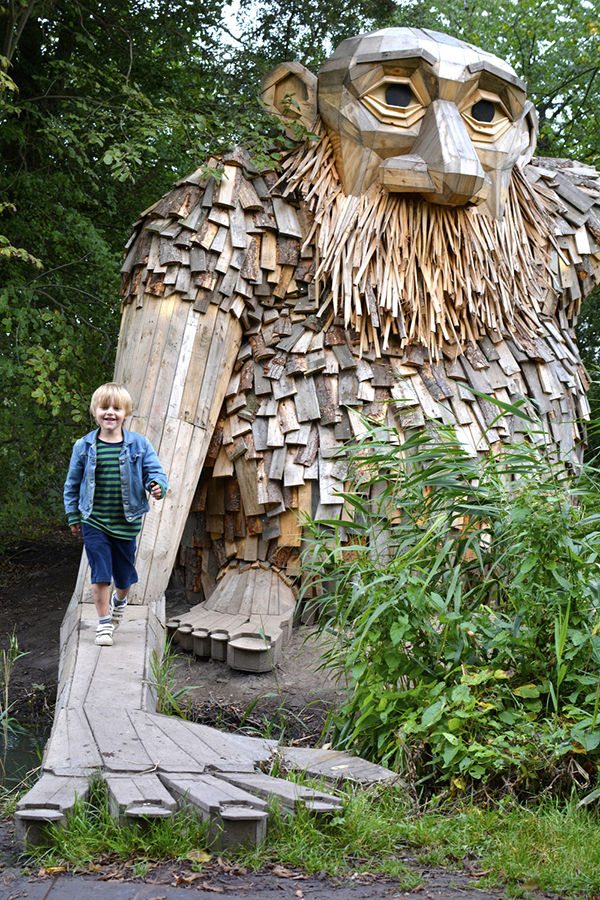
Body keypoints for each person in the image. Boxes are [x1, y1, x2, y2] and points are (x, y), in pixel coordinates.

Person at [63, 383, 168, 646]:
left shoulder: (139, 445)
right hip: (94, 520)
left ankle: (119, 603)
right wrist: (73, 516)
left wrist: (157, 486)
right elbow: (72, 484)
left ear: (126, 413)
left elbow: (155, 473)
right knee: (100, 573)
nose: (110, 412)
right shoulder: (83, 446)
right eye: (104, 407)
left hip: (126, 522)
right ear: (95, 411)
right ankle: (103, 625)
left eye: (116, 408)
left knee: (124, 577)